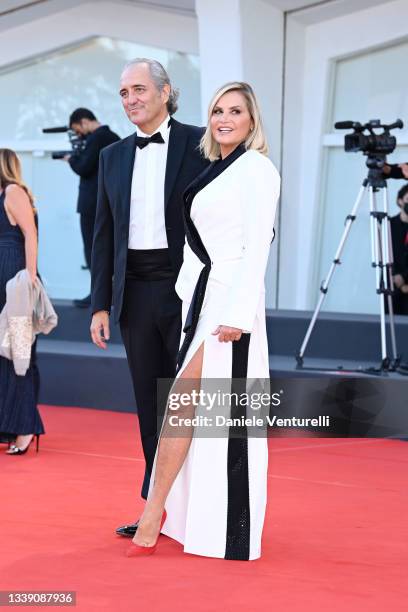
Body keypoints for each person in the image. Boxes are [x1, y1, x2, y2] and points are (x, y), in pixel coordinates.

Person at [126, 82, 280, 560]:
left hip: (233, 304)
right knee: (189, 407)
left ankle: (174, 518)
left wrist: (237, 314)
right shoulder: (218, 168)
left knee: (202, 408)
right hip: (205, 299)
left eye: (235, 111)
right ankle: (169, 513)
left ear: (252, 121)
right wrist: (188, 293)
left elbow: (258, 244)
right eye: (217, 110)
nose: (224, 118)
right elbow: (197, 243)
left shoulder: (257, 169)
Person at [90, 59, 209, 536]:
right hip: (134, 291)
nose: (130, 99)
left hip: (186, 286)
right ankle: (154, 506)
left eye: (139, 89)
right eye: (123, 93)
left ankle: (199, 508)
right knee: (148, 403)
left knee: (192, 401)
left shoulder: (199, 142)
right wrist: (101, 302)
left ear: (164, 92)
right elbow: (104, 233)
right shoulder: (111, 157)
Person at [0, 149, 44, 454]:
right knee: (3, 352)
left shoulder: (13, 191)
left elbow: (30, 234)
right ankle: (8, 425)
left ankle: (25, 427)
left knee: (18, 352)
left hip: (14, 279)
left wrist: (29, 278)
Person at [65, 108, 120, 308]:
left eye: (77, 128)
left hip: (91, 204)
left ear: (84, 121)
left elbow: (83, 167)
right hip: (110, 202)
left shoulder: (96, 138)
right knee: (109, 247)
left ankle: (97, 295)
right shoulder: (114, 137)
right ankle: (112, 293)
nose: (79, 133)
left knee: (92, 249)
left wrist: (71, 159)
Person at [389, 184, 408, 314]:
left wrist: (405, 278)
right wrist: (396, 278)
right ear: (400, 201)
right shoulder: (389, 225)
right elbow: (383, 254)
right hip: (393, 287)